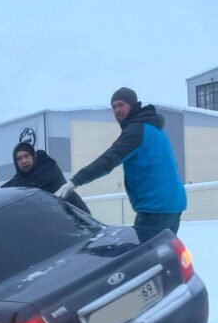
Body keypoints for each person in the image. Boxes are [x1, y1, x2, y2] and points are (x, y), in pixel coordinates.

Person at [55, 87, 186, 242]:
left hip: (156, 207)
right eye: (114, 107)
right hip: (174, 202)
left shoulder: (136, 130)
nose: (117, 110)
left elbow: (109, 160)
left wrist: (74, 182)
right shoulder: (153, 127)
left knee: (143, 258)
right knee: (164, 253)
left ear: (133, 105)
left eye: (121, 104)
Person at [2, 141, 91, 213]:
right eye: (19, 158)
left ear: (33, 156)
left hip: (77, 215)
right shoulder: (21, 177)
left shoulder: (48, 166)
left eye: (26, 156)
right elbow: (14, 184)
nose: (24, 161)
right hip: (58, 220)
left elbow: (32, 186)